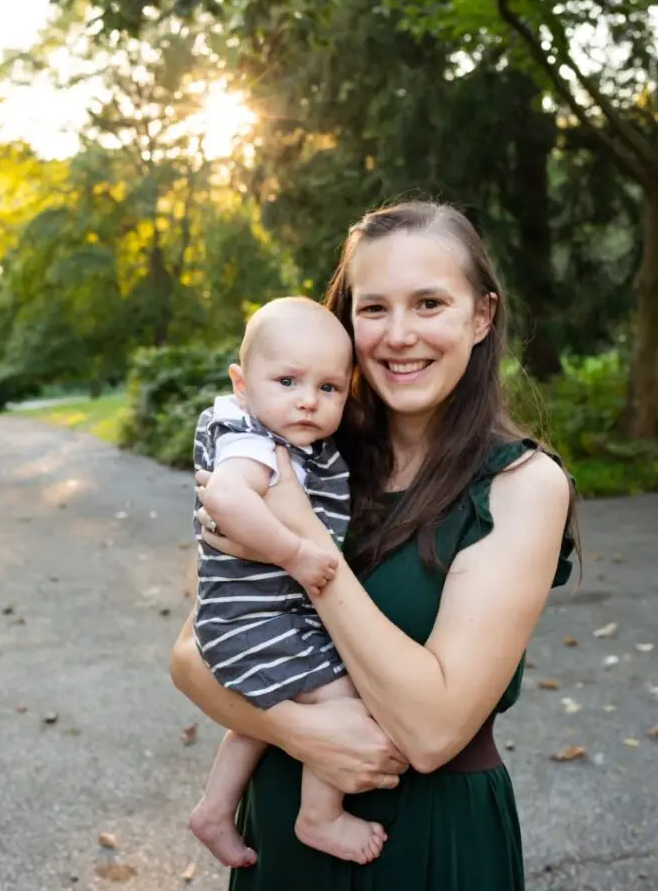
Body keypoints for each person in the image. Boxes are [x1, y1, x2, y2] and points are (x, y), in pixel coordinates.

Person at [172, 200, 578, 891]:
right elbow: (191, 657)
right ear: (343, 320)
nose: (398, 335)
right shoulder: (306, 451)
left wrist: (305, 547)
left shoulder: (521, 486)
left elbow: (429, 731)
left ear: (480, 316)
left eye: (427, 303)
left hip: (430, 840)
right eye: (372, 309)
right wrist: (302, 736)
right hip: (281, 825)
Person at [190, 297, 389, 867]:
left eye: (329, 388)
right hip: (255, 621)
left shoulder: (293, 442)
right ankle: (319, 816)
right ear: (242, 382)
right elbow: (226, 497)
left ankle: (213, 808)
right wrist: (297, 554)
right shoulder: (250, 437)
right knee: (343, 699)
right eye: (287, 380)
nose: (308, 399)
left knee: (267, 710)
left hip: (252, 621)